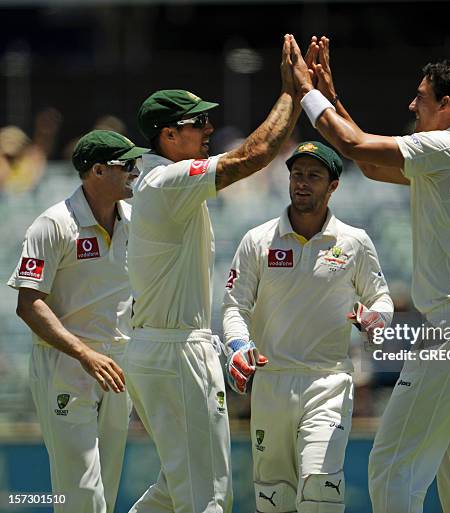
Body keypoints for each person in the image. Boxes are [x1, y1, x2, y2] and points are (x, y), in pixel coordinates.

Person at [288, 37, 450, 513]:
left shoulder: (448, 148)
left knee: (392, 466)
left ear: (446, 105)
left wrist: (305, 91)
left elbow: (353, 145)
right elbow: (369, 164)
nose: (412, 104)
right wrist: (331, 99)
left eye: (421, 96)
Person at [124, 34, 303, 513]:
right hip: (175, 350)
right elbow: (253, 155)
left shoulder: (163, 184)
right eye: (197, 121)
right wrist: (293, 94)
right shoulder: (166, 181)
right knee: (208, 497)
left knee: (174, 489)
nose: (209, 127)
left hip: (164, 347)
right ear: (167, 134)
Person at [222, 141, 393, 513]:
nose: (302, 183)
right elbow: (235, 305)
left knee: (320, 490)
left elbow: (382, 300)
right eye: (297, 174)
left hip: (328, 382)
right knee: (274, 498)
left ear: (333, 186)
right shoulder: (258, 240)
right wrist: (237, 345)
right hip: (271, 382)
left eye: (313, 176)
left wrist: (375, 320)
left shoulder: (354, 242)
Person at [7, 130, 148, 513]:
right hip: (67, 365)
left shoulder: (136, 221)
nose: (136, 171)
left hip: (118, 365)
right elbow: (28, 304)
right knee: (81, 490)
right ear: (97, 171)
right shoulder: (52, 224)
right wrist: (84, 354)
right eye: (127, 165)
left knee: (107, 484)